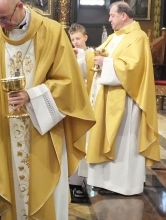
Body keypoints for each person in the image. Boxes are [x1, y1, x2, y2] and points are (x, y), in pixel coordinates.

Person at [0, 0, 96, 219]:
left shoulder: (52, 32)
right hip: (3, 133)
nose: (0, 24)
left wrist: (31, 95)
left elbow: (68, 84)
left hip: (42, 133)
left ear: (19, 6)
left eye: (4, 18)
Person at [85, 1, 159, 196]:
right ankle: (104, 181)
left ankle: (122, 185)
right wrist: (83, 55)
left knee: (123, 142)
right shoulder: (114, 37)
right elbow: (97, 54)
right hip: (107, 98)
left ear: (123, 15)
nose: (109, 19)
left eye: (112, 15)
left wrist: (106, 63)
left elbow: (133, 68)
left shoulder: (138, 37)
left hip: (126, 101)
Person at [67, 23, 94, 203]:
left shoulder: (93, 54)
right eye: (72, 39)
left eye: (78, 38)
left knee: (90, 144)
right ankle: (74, 183)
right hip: (75, 104)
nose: (75, 42)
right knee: (75, 141)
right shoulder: (68, 56)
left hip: (91, 102)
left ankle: (88, 180)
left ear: (85, 37)